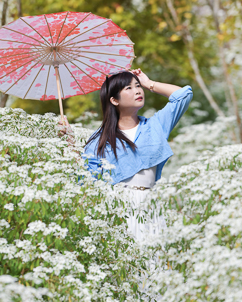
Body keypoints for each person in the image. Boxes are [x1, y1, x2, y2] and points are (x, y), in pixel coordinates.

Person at [82, 68, 193, 240]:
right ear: (114, 100)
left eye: (137, 85)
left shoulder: (155, 126)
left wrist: (149, 84)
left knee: (156, 261)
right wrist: (67, 145)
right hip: (118, 208)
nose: (137, 90)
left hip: (152, 204)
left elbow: (184, 94)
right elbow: (87, 183)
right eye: (128, 88)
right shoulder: (99, 140)